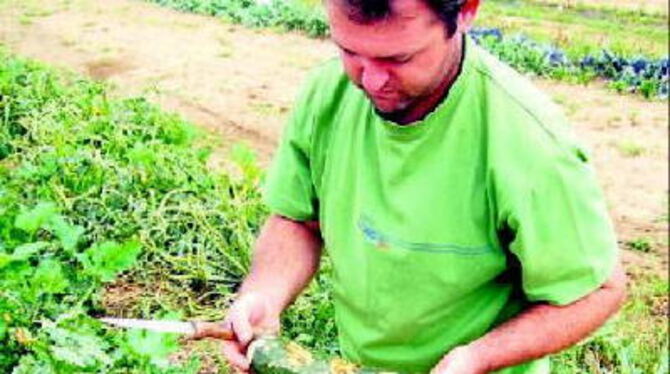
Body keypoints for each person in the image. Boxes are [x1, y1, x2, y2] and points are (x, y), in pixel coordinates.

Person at [220, 0, 627, 372]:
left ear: (466, 12)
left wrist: (476, 358)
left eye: (398, 58)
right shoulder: (328, 93)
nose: (371, 80)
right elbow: (298, 220)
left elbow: (598, 290)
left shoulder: (528, 142)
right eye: (349, 52)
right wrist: (265, 294)